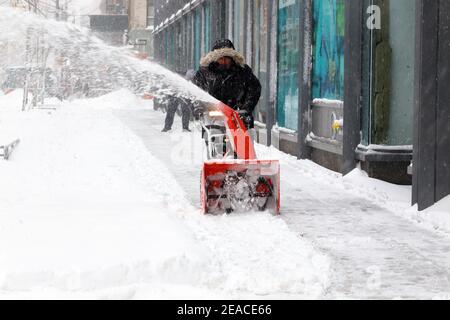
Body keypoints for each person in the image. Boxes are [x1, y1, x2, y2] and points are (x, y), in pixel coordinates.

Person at [193, 39, 262, 135]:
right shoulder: (205, 72)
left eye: (227, 58)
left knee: (244, 144)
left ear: (232, 58)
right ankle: (216, 149)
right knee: (215, 139)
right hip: (213, 115)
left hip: (239, 115)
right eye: (221, 58)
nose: (224, 61)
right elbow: (196, 90)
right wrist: (199, 107)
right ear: (214, 58)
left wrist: (246, 108)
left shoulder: (242, 71)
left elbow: (254, 88)